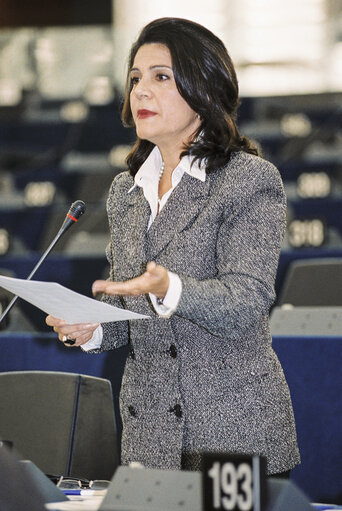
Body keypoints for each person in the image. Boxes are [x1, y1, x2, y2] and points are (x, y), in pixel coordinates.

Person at [46, 17, 300, 476]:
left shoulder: (249, 181)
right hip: (149, 440)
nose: (141, 91)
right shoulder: (126, 192)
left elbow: (246, 303)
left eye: (161, 77)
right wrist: (94, 328)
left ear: (203, 88)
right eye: (136, 78)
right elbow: (130, 314)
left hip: (233, 437)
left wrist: (171, 287)